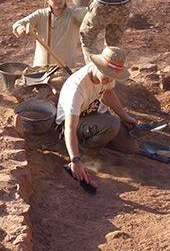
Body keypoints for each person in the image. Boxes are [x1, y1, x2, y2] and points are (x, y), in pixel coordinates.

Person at [57, 46, 139, 188]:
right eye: (107, 75)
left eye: (113, 76)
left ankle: (100, 138)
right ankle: (84, 153)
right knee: (112, 124)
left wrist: (125, 117)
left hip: (92, 114)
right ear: (97, 66)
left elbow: (107, 93)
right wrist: (75, 160)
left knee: (131, 147)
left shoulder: (107, 76)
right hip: (71, 124)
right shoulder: (76, 90)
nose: (109, 79)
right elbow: (70, 127)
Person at [13, 0, 87, 69]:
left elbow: (90, 14)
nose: (58, 0)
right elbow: (18, 24)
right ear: (47, 0)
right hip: (42, 68)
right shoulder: (40, 14)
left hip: (66, 68)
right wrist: (20, 28)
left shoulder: (74, 14)